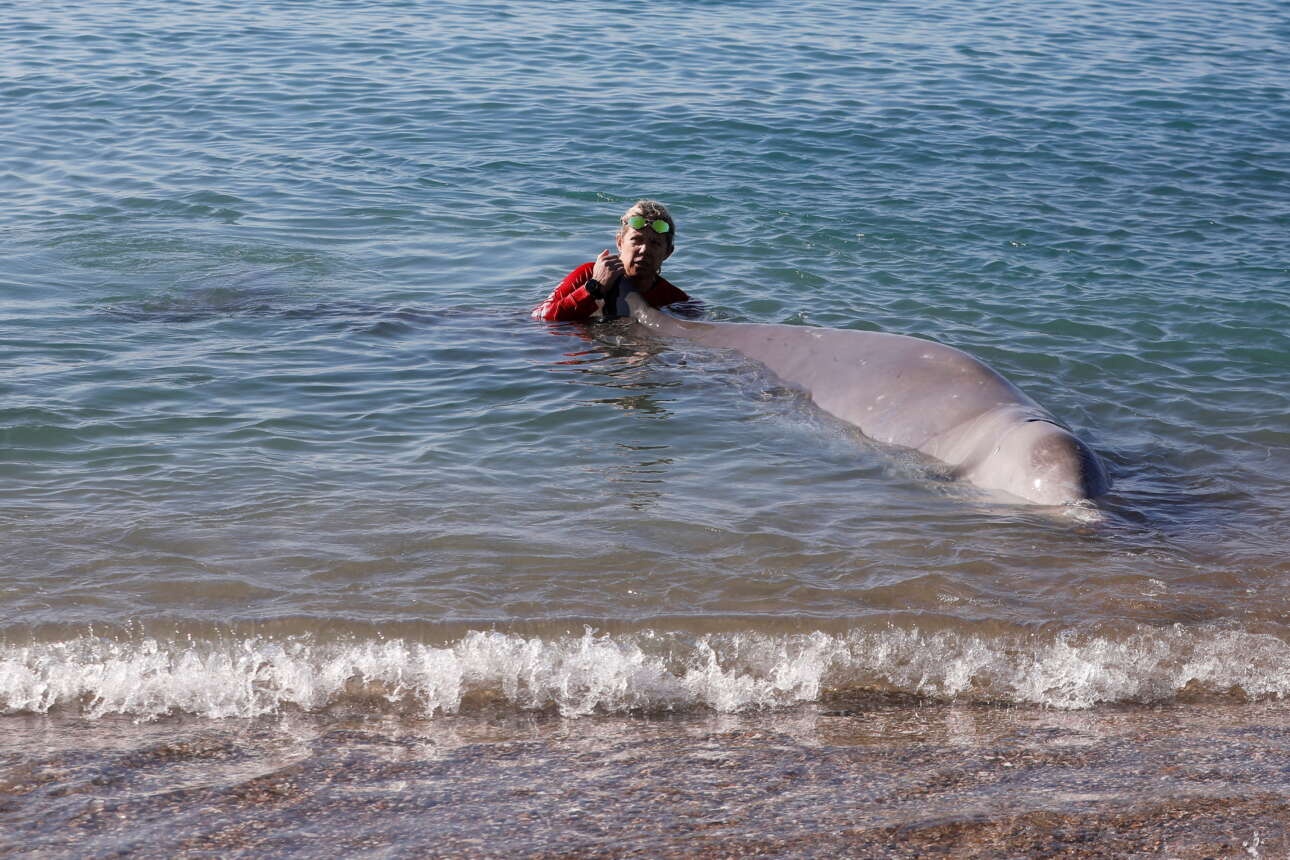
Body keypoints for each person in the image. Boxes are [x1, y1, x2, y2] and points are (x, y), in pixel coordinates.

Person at [532, 200, 691, 322]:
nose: (644, 250)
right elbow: (541, 317)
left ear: (668, 253)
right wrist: (593, 289)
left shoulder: (674, 299)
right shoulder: (589, 274)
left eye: (655, 243)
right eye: (636, 240)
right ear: (620, 242)